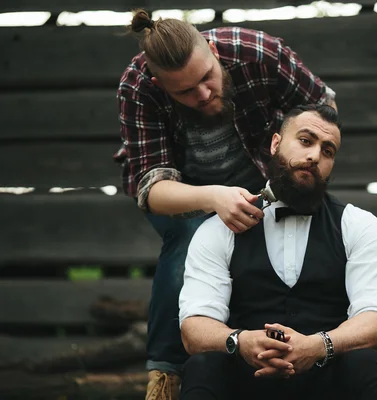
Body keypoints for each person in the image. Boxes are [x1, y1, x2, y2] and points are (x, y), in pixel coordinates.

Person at [114, 9, 337, 399]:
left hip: (265, 180)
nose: (202, 94)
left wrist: (295, 164)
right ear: (157, 82)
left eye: (206, 78)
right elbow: (152, 189)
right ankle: (167, 374)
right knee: (190, 241)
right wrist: (214, 198)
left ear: (214, 51)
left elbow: (323, 109)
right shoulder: (137, 88)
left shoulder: (259, 52)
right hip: (186, 195)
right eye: (184, 91)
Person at [178, 104, 377, 400]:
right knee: (203, 366)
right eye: (305, 140)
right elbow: (194, 326)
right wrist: (241, 341)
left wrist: (318, 346)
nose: (314, 155)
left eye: (327, 151)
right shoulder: (220, 228)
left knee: (367, 363)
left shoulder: (360, 225)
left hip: (328, 383)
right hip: (247, 382)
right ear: (276, 144)